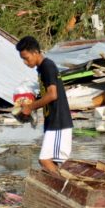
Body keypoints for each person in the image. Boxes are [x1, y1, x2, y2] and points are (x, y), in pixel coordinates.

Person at [16, 36, 73, 176]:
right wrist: (31, 103)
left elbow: (53, 95)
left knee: (46, 160)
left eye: (26, 58)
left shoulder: (47, 66)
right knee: (47, 161)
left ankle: (65, 190)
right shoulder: (41, 69)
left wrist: (30, 107)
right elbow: (47, 94)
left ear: (35, 52)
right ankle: (62, 188)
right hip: (53, 121)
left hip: (59, 121)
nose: (25, 62)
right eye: (22, 59)